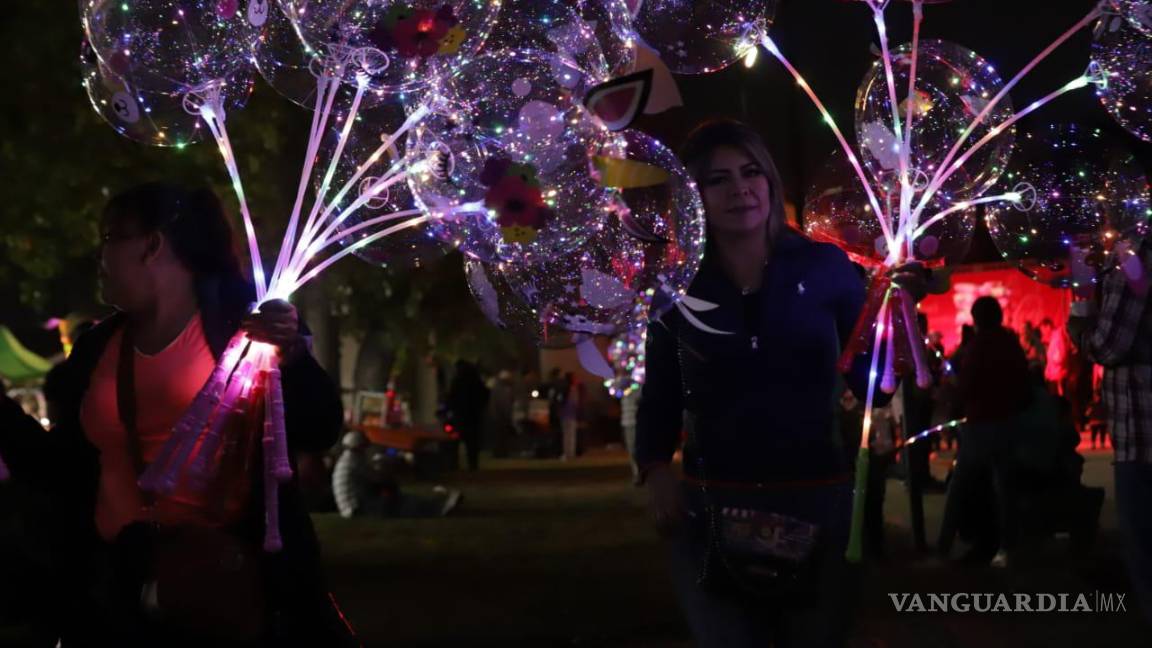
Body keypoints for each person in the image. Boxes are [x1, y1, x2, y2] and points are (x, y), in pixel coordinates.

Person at [0, 183, 355, 646]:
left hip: (223, 591)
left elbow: (320, 427)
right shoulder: (95, 349)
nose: (99, 257)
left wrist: (294, 360)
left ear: (152, 245)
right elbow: (62, 470)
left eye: (109, 238)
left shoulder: (250, 332)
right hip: (115, 595)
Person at [634, 120, 928, 647]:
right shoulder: (677, 285)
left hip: (816, 499)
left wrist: (900, 320)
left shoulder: (826, 267)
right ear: (695, 196)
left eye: (751, 172)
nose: (740, 188)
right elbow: (660, 390)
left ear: (770, 181)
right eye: (717, 179)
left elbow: (874, 388)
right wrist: (655, 468)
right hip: (712, 507)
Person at [1068, 239, 1152, 622]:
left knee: (1144, 549)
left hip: (1142, 433)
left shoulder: (1135, 256)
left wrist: (1080, 326)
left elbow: (1108, 345)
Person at [937, 296, 1032, 565]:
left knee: (960, 486)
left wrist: (952, 396)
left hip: (980, 424)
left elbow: (966, 387)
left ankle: (944, 546)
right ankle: (1008, 547)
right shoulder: (1011, 343)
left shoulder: (977, 347)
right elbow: (1023, 383)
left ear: (977, 319)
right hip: (1009, 422)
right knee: (1005, 489)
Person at [446, 359, 489, 471]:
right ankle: (472, 464)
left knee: (456, 441)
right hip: (473, 415)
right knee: (472, 443)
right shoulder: (475, 380)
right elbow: (484, 395)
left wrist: (452, 408)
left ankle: (454, 464)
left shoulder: (458, 381)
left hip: (461, 415)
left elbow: (451, 397)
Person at [560, 372, 584, 461]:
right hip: (570, 414)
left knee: (566, 434)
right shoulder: (573, 389)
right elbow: (575, 402)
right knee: (571, 435)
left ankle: (567, 453)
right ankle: (570, 453)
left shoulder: (564, 389)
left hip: (564, 414)